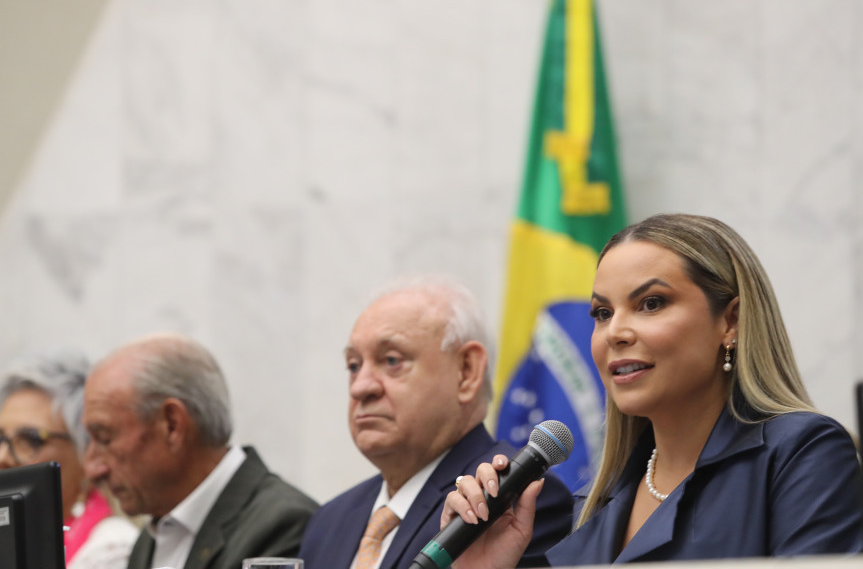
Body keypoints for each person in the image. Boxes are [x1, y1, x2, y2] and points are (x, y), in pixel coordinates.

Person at [444, 213, 863, 567]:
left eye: (651, 303)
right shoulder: (594, 503)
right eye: (603, 313)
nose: (615, 333)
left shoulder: (802, 453)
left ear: (730, 322)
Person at [299, 275, 574, 569]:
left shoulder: (510, 501)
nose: (360, 387)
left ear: (466, 371)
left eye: (391, 360)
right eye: (354, 366)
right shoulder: (327, 523)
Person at [82, 333, 319, 569]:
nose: (93, 469)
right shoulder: (151, 537)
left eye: (105, 439)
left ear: (172, 425)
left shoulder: (282, 524)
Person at [0, 350, 138, 569]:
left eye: (30, 440)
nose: (3, 457)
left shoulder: (113, 552)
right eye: (1, 438)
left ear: (88, 455)